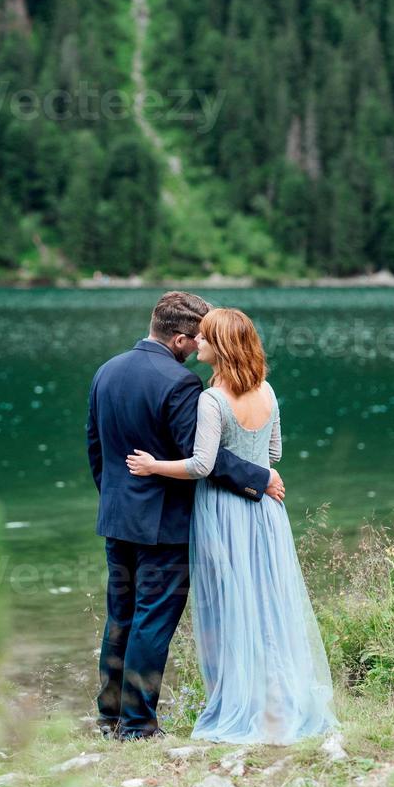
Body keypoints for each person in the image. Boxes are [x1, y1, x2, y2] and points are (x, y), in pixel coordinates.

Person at [127, 307, 338, 744]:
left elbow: (203, 465)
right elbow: (274, 454)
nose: (196, 341)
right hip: (266, 512)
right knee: (267, 603)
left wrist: (153, 466)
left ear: (220, 346)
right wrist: (254, 460)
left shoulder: (212, 400)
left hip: (223, 512)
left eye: (204, 337)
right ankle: (277, 703)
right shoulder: (268, 391)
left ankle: (241, 705)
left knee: (230, 605)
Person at [86, 292, 286, 740]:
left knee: (121, 616)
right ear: (179, 338)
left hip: (118, 518)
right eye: (195, 338)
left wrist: (118, 500)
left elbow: (96, 449)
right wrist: (261, 478)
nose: (199, 346)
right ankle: (138, 725)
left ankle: (109, 716)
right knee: (153, 620)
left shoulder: (106, 370)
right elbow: (205, 459)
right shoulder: (180, 384)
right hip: (164, 525)